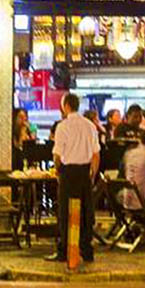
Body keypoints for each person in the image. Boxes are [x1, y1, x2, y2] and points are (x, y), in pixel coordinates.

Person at [46, 93, 100, 264]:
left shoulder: (63, 127)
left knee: (65, 212)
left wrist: (57, 171)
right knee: (85, 211)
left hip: (68, 173)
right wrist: (92, 174)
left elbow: (57, 155)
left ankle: (64, 251)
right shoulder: (90, 126)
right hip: (84, 173)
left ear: (66, 106)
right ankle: (87, 249)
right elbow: (96, 154)